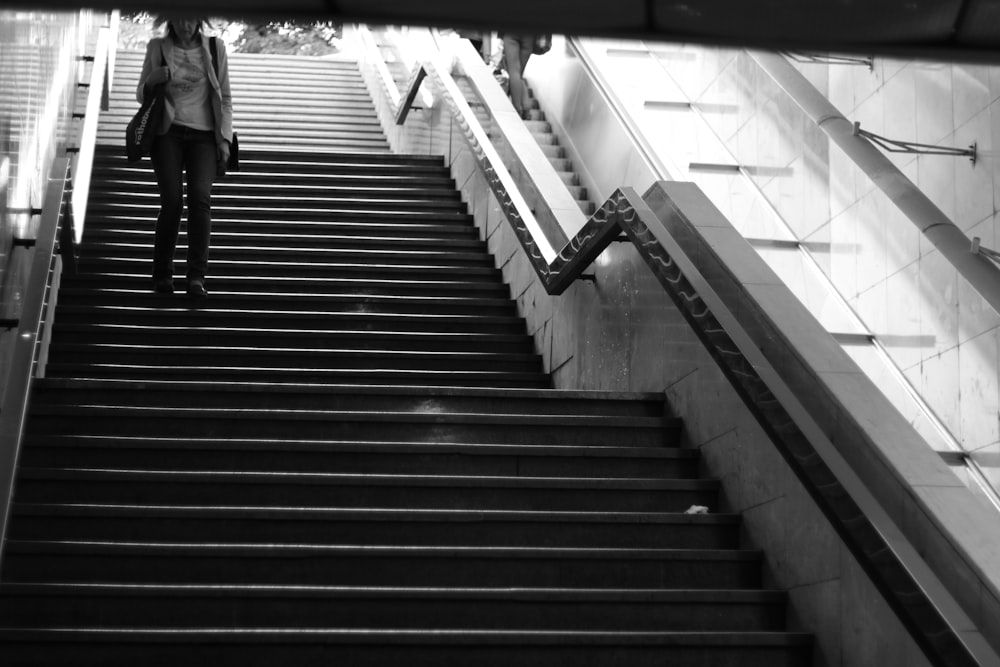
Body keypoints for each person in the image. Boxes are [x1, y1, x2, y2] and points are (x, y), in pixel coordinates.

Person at [136, 15, 234, 298]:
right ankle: (163, 275)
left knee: (200, 198)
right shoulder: (157, 47)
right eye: (179, 19)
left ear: (200, 19)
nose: (185, 25)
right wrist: (153, 81)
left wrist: (224, 139)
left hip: (204, 135)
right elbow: (141, 94)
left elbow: (225, 96)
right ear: (170, 19)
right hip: (167, 133)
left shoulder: (216, 48)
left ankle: (196, 278)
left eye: (191, 19)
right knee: (172, 202)